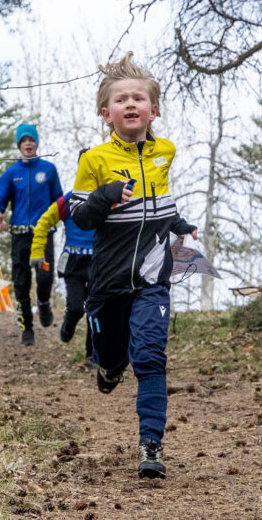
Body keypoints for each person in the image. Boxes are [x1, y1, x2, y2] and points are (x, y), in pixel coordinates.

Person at [68, 53, 196, 480]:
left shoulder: (165, 152)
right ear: (107, 114)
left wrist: (178, 223)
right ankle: (108, 366)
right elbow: (81, 218)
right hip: (108, 280)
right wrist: (104, 195)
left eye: (138, 98)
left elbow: (159, 199)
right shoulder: (94, 159)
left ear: (152, 110)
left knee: (150, 355)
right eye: (120, 99)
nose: (130, 104)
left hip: (152, 277)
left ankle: (151, 443)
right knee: (111, 355)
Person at [0, 123, 63, 346]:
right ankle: (27, 328)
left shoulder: (48, 169)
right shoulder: (12, 173)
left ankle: (44, 303)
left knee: (45, 278)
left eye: (31, 140)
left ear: (36, 143)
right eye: (24, 141)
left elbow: (59, 200)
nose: (28, 144)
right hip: (20, 235)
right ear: (19, 145)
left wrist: (61, 219)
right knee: (21, 283)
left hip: (43, 234)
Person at [29, 157, 95, 363]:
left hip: (99, 263)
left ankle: (92, 355)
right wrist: (37, 251)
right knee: (76, 308)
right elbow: (43, 223)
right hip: (73, 262)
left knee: (96, 311)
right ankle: (69, 321)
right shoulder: (68, 200)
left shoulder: (107, 200)